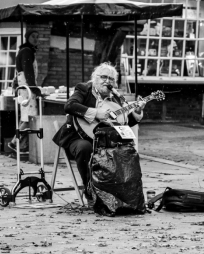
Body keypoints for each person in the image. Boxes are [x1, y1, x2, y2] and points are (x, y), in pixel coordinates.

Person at [53, 63, 146, 205]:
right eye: (103, 77)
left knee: (125, 151)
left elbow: (124, 122)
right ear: (95, 78)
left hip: (105, 141)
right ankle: (90, 190)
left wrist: (137, 111)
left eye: (111, 79)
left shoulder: (116, 97)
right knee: (85, 148)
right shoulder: (84, 89)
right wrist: (96, 113)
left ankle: (120, 192)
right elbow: (70, 106)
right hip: (77, 137)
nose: (107, 81)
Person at [7, 29, 42, 153]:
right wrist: (34, 88)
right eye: (33, 36)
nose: (36, 39)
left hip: (24, 88)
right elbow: (28, 72)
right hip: (27, 88)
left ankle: (21, 145)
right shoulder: (27, 51)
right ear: (27, 38)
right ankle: (14, 143)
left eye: (37, 37)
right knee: (30, 117)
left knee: (26, 116)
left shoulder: (25, 50)